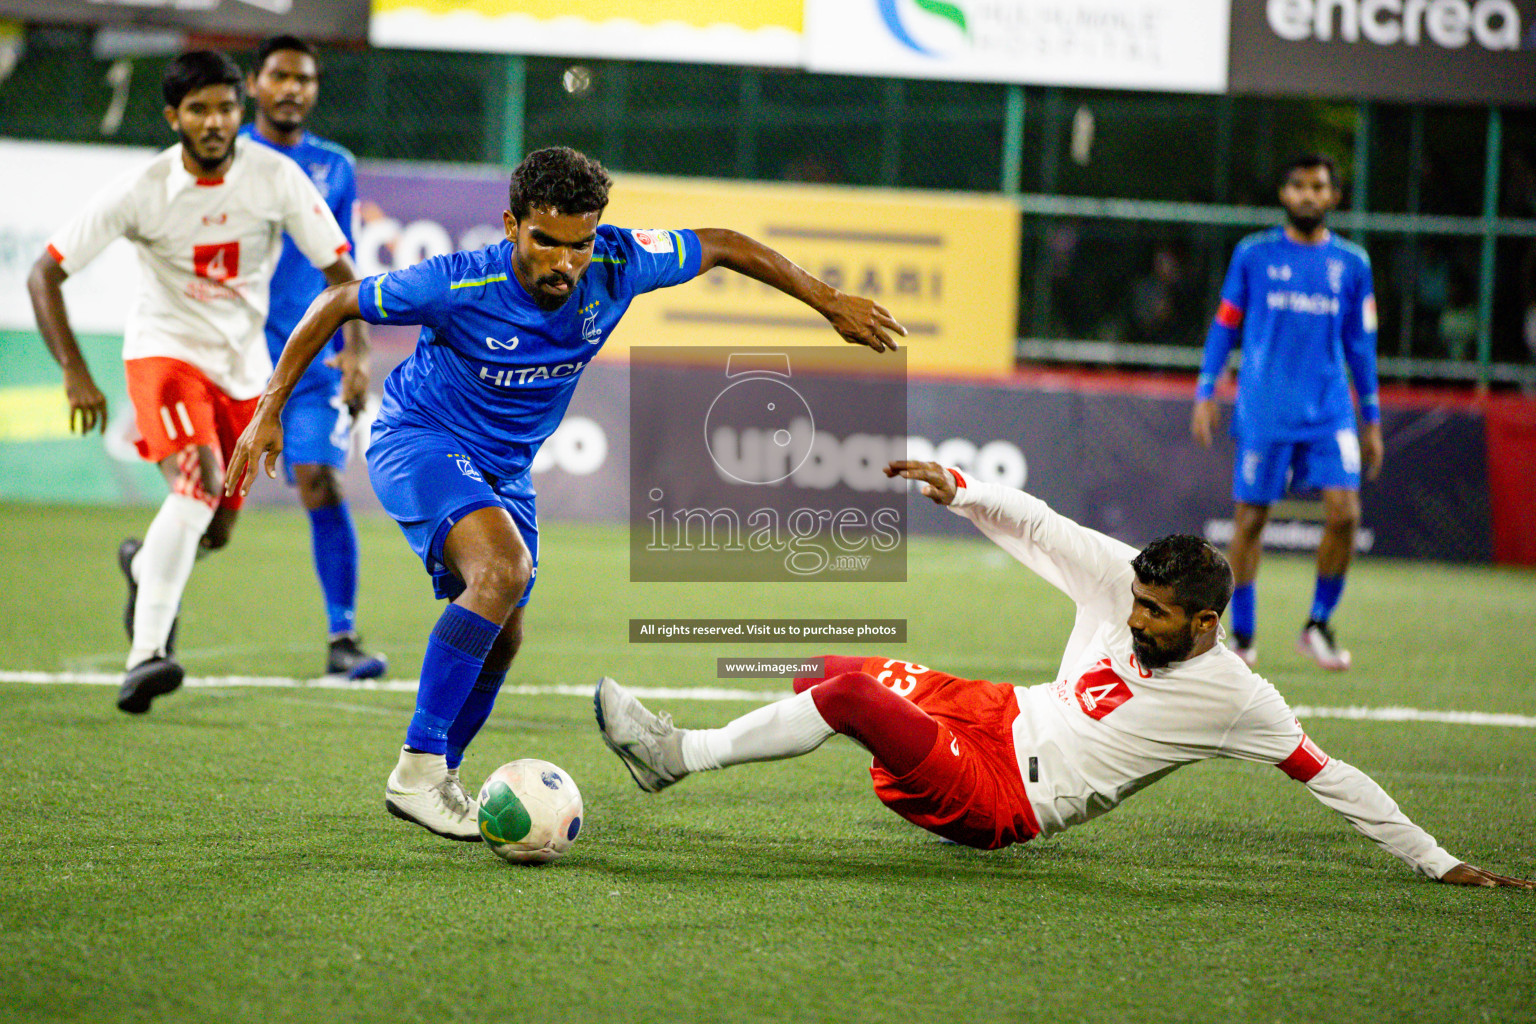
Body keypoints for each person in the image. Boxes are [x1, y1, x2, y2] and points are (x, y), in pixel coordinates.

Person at [226, 146, 907, 842]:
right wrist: (268, 409)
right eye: (544, 241)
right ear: (511, 224)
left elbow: (726, 245)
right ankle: (419, 772)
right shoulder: (456, 283)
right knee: (503, 571)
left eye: (578, 245)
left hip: (505, 469)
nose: (563, 262)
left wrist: (828, 301)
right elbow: (339, 300)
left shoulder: (619, 261)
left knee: (504, 634)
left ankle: (442, 779)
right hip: (419, 437)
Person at [594, 460, 1531, 889]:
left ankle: (674, 755)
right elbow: (1042, 525)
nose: (1135, 618)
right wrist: (965, 494)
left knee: (845, 699)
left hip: (1006, 797)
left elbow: (1330, 778)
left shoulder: (1238, 695)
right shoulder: (1133, 585)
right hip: (998, 714)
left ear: (1209, 624)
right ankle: (712, 733)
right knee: (843, 666)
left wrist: (1437, 859)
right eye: (1137, 602)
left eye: (1158, 616)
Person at [27, 51, 358, 715]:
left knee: (215, 531)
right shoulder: (141, 189)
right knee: (199, 481)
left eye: (226, 108)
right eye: (200, 109)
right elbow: (45, 274)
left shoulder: (278, 177)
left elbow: (341, 277)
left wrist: (353, 350)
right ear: (173, 116)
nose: (215, 122)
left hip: (243, 370)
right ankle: (146, 657)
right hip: (165, 353)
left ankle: (143, 564)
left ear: (241, 113)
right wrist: (74, 372)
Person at [1190, 154, 1383, 671]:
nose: (1307, 195)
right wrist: (1206, 389)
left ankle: (1317, 624)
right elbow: (1224, 325)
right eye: (1297, 185)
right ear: (1283, 194)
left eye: (1318, 187)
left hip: (1331, 412)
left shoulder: (1353, 264)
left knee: (1346, 514)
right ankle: (1245, 638)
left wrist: (1373, 419)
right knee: (1250, 520)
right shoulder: (1252, 255)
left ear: (1333, 197)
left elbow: (1361, 348)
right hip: (1265, 409)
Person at [241, 35, 385, 679]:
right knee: (209, 513)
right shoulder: (229, 159)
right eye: (280, 76)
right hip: (231, 354)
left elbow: (343, 263)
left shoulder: (335, 166)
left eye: (304, 79)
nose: (292, 88)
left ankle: (342, 638)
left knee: (319, 480)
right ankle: (151, 583)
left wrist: (356, 350)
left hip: (307, 363)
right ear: (255, 84)